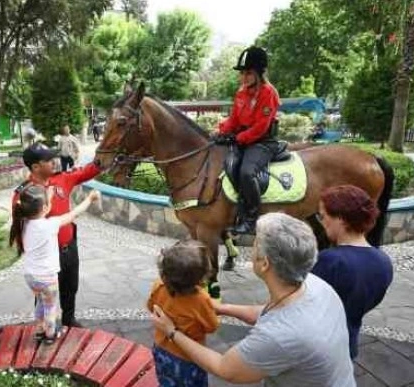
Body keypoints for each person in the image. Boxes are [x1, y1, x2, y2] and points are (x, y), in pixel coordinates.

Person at [151, 213, 355, 386]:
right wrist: (221, 308)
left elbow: (224, 368)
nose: (252, 247)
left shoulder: (278, 336)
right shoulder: (313, 284)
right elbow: (270, 312)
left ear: (265, 263)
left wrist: (171, 331)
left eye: (256, 243)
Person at [12, 142, 101, 327]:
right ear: (36, 167)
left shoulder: (62, 179)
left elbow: (89, 171)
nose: (54, 161)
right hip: (45, 259)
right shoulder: (24, 194)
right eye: (48, 159)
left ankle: (69, 319)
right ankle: (45, 329)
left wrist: (108, 157)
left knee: (70, 287)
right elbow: (20, 227)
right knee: (45, 296)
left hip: (68, 247)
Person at [312, 185, 394, 359]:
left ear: (341, 219)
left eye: (323, 216)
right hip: (348, 346)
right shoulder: (384, 262)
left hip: (318, 349)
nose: (321, 222)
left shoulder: (330, 261)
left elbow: (301, 305)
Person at [10, 185, 100, 343]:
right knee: (51, 307)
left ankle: (39, 330)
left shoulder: (23, 222)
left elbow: (40, 208)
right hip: (47, 278)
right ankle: (50, 335)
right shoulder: (49, 225)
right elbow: (73, 214)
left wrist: (48, 196)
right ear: (44, 208)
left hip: (31, 276)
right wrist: (89, 199)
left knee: (41, 303)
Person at [214, 46, 281, 235]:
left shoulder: (268, 93)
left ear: (259, 73)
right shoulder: (241, 93)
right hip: (242, 139)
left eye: (248, 73)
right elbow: (234, 119)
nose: (244, 77)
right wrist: (221, 132)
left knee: (246, 172)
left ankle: (251, 218)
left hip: (262, 142)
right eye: (242, 73)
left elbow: (261, 127)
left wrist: (239, 138)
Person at [146, 240, 219, 387]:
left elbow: (150, 306)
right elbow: (212, 326)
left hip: (161, 349)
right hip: (189, 357)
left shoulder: (159, 285)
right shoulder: (201, 300)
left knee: (166, 380)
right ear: (201, 277)